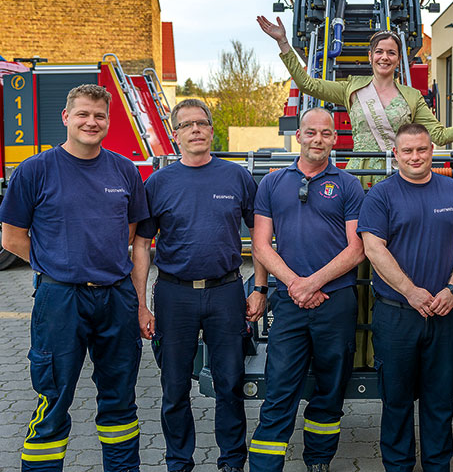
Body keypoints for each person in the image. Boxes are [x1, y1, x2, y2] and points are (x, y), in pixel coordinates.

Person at [0, 84, 148, 472]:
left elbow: (131, 233)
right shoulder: (36, 169)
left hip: (116, 297)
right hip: (60, 300)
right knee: (53, 395)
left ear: (108, 122)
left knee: (120, 398)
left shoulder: (124, 170)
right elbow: (12, 238)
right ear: (66, 117)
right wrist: (58, 263)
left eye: (99, 116)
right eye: (83, 114)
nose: (91, 122)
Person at [131, 99, 266, 472]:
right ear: (175, 136)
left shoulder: (236, 177)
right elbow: (142, 246)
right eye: (187, 125)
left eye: (202, 123)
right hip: (174, 296)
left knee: (230, 383)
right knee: (175, 388)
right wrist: (142, 304)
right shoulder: (157, 183)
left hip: (226, 293)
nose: (195, 129)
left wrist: (259, 288)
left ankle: (232, 462)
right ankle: (179, 462)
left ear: (211, 131)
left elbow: (259, 236)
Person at [357, 122, 453, 471]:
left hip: (445, 313)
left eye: (422, 149)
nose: (416, 156)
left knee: (439, 399)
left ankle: (437, 464)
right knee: (396, 400)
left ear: (432, 151)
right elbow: (373, 248)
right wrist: (410, 290)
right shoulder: (381, 195)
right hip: (397, 314)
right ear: (396, 154)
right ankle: (398, 466)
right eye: (408, 151)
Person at [248, 107, 365, 472]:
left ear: (335, 139)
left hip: (336, 302)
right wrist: (294, 285)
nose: (318, 139)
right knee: (280, 386)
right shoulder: (271, 183)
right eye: (311, 132)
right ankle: (266, 466)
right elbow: (261, 244)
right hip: (289, 303)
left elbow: (357, 248)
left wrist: (312, 283)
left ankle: (318, 461)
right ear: (298, 136)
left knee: (330, 389)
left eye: (326, 133)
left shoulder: (348, 185)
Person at [256, 15, 453, 187]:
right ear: (370, 56)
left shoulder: (412, 96)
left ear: (398, 59)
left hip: (397, 175)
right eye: (379, 52)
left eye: (391, 53)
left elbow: (439, 136)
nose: (385, 57)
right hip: (358, 176)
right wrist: (284, 43)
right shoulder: (352, 88)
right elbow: (308, 84)